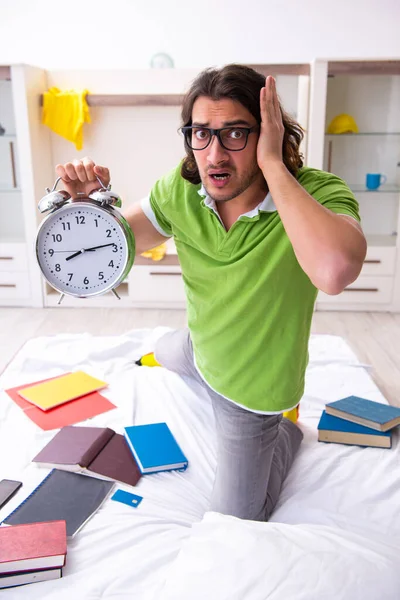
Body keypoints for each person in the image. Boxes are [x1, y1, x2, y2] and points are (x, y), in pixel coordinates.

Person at [55, 64, 367, 522]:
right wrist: (84, 207)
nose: (215, 155)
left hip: (253, 392)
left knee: (236, 518)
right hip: (199, 348)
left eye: (236, 134)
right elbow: (114, 249)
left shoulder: (316, 194)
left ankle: (287, 433)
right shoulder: (180, 189)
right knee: (164, 348)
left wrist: (273, 166)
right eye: (201, 134)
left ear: (268, 134)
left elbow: (335, 271)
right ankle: (182, 351)